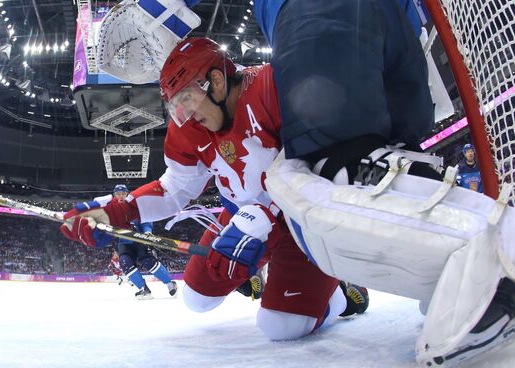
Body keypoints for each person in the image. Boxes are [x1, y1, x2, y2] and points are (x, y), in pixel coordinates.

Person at [248, 0, 515, 365]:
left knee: (337, 163)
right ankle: (483, 262)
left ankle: (505, 266)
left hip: (316, 10)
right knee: (390, 156)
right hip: (402, 20)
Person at [60, 37, 367, 340]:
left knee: (282, 327)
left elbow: (323, 162)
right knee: (197, 298)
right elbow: (174, 188)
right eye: (177, 106)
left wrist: (267, 215)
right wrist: (115, 211)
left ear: (216, 81)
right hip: (243, 221)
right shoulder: (191, 129)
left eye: (186, 99)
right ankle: (271, 269)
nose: (186, 115)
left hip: (300, 225)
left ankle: (336, 297)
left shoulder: (273, 87)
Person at [62, 184, 178, 300]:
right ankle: (143, 289)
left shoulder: (134, 205)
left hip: (139, 239)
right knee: (125, 263)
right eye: (118, 194)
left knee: (147, 261)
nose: (121, 196)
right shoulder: (109, 208)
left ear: (127, 194)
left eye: (123, 193)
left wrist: (148, 233)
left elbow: (146, 220)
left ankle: (169, 283)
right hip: (124, 242)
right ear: (114, 195)